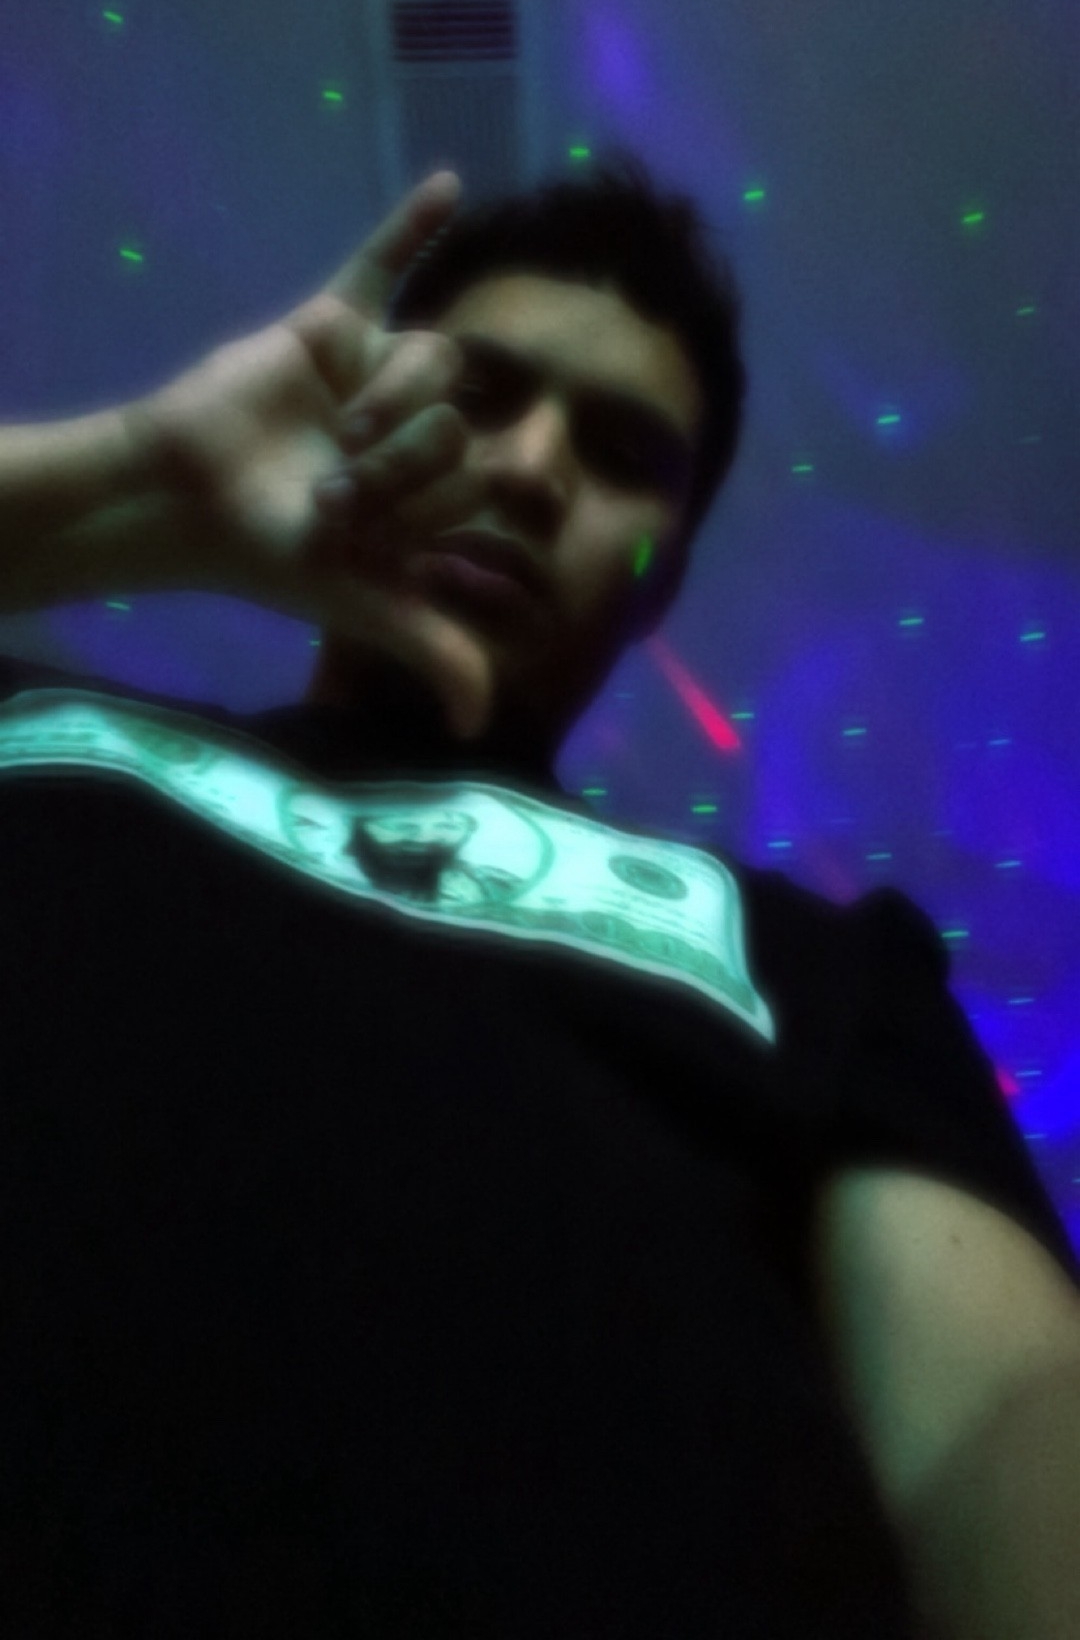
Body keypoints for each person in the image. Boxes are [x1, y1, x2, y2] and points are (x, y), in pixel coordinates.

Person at [0, 156, 1077, 1636]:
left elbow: (1004, 1419)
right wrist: (136, 489)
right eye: (479, 393)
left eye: (621, 452)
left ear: (661, 580)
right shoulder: (44, 734)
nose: (527, 469)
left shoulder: (812, 964)